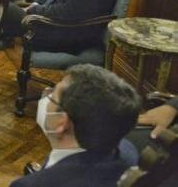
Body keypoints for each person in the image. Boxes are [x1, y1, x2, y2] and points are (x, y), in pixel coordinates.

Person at [10, 64, 140, 187]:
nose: (46, 95)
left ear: (62, 122)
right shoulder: (128, 150)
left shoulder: (30, 185)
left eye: (52, 95)